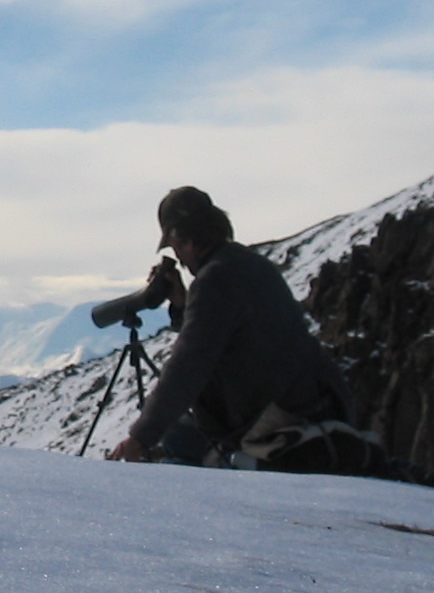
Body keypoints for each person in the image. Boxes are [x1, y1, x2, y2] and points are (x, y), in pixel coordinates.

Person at [105, 186, 367, 472]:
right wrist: (182, 305)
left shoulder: (215, 281)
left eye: (175, 246)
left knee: (178, 441)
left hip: (272, 418)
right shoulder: (249, 265)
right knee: (182, 432)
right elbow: (222, 341)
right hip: (304, 404)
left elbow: (189, 365)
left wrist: (140, 437)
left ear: (186, 239)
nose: (178, 257)